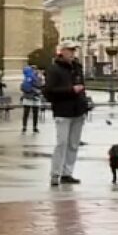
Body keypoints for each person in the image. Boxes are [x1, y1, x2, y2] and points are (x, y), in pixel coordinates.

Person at [43, 41, 87, 186]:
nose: (72, 53)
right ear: (61, 51)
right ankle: (55, 173)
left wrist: (84, 104)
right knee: (62, 143)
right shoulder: (54, 69)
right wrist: (70, 90)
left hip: (78, 111)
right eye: (70, 50)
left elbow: (82, 87)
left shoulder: (77, 67)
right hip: (63, 111)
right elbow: (48, 91)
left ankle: (67, 173)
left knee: (73, 144)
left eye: (74, 50)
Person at [20, 63, 41, 133]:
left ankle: (34, 127)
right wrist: (34, 89)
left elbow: (40, 86)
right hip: (29, 97)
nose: (35, 71)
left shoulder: (37, 78)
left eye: (35, 69)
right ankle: (24, 127)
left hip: (34, 97)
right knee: (26, 113)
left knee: (35, 114)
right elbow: (23, 87)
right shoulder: (28, 78)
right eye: (33, 69)